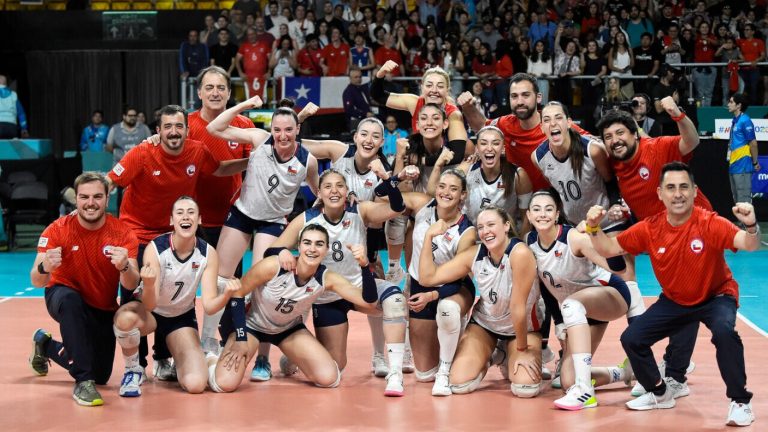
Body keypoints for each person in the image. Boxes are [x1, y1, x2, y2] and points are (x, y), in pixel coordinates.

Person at [585, 161, 759, 427]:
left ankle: (740, 402)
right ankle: (660, 392)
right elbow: (608, 248)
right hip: (676, 299)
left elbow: (748, 245)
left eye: (683, 187)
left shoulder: (709, 222)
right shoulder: (650, 228)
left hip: (716, 295)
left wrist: (751, 226)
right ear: (660, 193)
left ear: (693, 191)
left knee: (725, 333)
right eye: (671, 188)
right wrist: (594, 227)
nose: (677, 194)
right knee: (632, 338)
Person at [107, 104, 247, 377]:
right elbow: (112, 181)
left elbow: (218, 169)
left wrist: (255, 160)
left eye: (179, 126)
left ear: (186, 129)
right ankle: (137, 365)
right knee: (135, 298)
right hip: (137, 234)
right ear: (158, 131)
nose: (174, 132)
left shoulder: (197, 150)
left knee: (168, 296)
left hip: (170, 233)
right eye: (167, 127)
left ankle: (162, 359)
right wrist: (86, 201)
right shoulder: (143, 152)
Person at [596, 103, 713, 397]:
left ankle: (675, 376)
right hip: (663, 240)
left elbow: (692, 141)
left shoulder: (658, 147)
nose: (615, 140)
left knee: (684, 300)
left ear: (635, 133)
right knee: (680, 299)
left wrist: (677, 114)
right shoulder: (617, 164)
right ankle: (676, 366)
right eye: (608, 136)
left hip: (694, 230)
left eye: (620, 133)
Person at [264, 167, 412, 395]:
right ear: (319, 194)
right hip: (326, 297)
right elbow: (271, 251)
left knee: (395, 300)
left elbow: (397, 208)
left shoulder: (360, 211)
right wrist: (282, 252)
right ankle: (292, 360)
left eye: (339, 186)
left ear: (347, 191)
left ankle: (395, 374)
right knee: (336, 367)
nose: (334, 191)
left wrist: (390, 180)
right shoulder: (307, 219)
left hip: (360, 288)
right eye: (328, 187)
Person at [205, 99, 319, 381]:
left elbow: (319, 191)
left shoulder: (307, 160)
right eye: (277, 129)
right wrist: (245, 104)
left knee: (265, 286)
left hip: (273, 222)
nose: (282, 136)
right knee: (219, 278)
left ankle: (263, 360)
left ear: (297, 130)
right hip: (243, 214)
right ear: (271, 129)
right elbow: (214, 127)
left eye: (288, 130)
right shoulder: (259, 139)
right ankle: (208, 343)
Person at [205, 224, 379, 393]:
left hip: (288, 329)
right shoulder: (274, 266)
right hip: (252, 326)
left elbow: (367, 301)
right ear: (299, 246)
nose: (312, 249)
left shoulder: (327, 278)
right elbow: (238, 292)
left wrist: (364, 266)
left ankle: (289, 360)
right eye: (307, 243)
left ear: (326, 250)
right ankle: (211, 359)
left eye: (319, 244)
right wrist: (241, 339)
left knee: (330, 378)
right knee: (225, 384)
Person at [28, 172, 140, 406]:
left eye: (97, 196)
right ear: (76, 199)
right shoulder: (58, 230)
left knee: (101, 374)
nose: (91, 203)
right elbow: (37, 281)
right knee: (71, 302)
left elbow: (131, 283)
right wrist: (44, 265)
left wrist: (124, 266)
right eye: (84, 197)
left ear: (107, 199)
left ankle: (45, 345)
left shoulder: (122, 233)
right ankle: (83, 383)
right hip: (63, 295)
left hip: (102, 306)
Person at [417, 206, 542, 397]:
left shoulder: (519, 253)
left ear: (507, 225)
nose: (486, 231)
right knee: (458, 384)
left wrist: (523, 350)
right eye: (481, 227)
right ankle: (494, 356)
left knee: (525, 388)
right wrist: (428, 237)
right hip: (486, 324)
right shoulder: (474, 254)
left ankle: (509, 352)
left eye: (491, 225)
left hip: (521, 329)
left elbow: (518, 307)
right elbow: (427, 278)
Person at [525, 191, 633, 410]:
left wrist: (595, 231)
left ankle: (585, 392)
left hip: (609, 295)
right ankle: (625, 372)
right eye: (536, 209)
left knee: (572, 305)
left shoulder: (573, 238)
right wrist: (561, 324)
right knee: (567, 381)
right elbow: (548, 290)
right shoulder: (530, 243)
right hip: (576, 311)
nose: (542, 214)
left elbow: (618, 268)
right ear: (528, 215)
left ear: (557, 214)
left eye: (548, 209)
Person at [112, 196, 213, 397]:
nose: (186, 216)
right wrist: (148, 284)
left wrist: (229, 293)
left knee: (195, 385)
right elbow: (149, 304)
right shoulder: (156, 248)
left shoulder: (207, 253)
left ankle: (200, 358)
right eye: (180, 212)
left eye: (191, 212)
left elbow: (209, 304)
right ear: (171, 220)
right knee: (124, 320)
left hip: (181, 317)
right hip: (151, 313)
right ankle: (133, 370)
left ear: (200, 219)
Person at [402, 168, 477, 396]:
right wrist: (395, 176)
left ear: (463, 195)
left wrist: (432, 296)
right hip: (420, 285)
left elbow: (460, 277)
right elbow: (386, 197)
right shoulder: (422, 206)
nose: (446, 192)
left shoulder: (467, 232)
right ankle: (443, 352)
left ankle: (447, 368)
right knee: (424, 374)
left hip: (453, 288)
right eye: (442, 186)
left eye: (453, 189)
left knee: (447, 311)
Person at [458, 72, 591, 191]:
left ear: (538, 97)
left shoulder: (554, 124)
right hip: (516, 200)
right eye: (514, 96)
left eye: (525, 95)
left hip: (551, 202)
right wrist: (467, 106)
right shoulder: (505, 124)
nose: (520, 101)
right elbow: (481, 127)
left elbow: (594, 144)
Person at [430, 126, 532, 233]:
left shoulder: (518, 175)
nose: (489, 148)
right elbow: (434, 193)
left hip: (504, 239)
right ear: (477, 149)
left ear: (503, 149)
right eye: (483, 143)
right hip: (471, 238)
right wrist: (437, 166)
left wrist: (518, 244)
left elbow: (526, 217)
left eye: (495, 143)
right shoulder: (466, 170)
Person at [727, 93, 761, 205]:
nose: (728, 104)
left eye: (731, 102)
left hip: (743, 165)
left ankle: (747, 223)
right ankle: (741, 223)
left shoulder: (745, 121)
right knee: (737, 199)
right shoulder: (735, 121)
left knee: (744, 200)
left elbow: (753, 143)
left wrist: (755, 162)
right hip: (734, 164)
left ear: (738, 105)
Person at [0, 74, 29, 139]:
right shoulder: (13, 95)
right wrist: (24, 129)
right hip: (11, 127)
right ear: (6, 84)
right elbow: (21, 114)